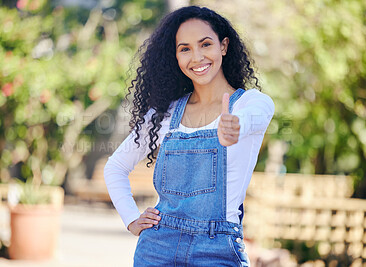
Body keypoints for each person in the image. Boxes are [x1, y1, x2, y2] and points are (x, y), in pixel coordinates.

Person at [104, 5, 275, 266]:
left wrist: (234, 126)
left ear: (224, 46)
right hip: (157, 248)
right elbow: (115, 167)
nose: (197, 57)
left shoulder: (249, 104)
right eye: (184, 48)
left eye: (205, 44)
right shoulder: (164, 113)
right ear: (174, 56)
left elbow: (254, 118)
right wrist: (132, 220)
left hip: (217, 250)